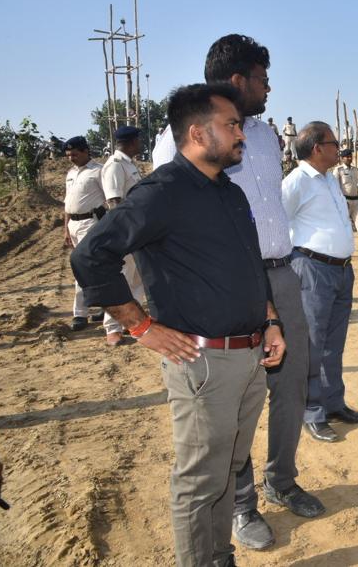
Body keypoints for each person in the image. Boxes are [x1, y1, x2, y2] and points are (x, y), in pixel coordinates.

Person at [70, 83, 287, 567]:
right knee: (200, 480)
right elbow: (90, 257)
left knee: (227, 468)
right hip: (204, 362)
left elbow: (251, 265)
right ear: (196, 132)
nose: (241, 135)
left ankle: (218, 555)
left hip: (250, 355)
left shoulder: (228, 193)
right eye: (230, 125)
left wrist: (270, 321)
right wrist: (141, 326)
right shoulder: (162, 193)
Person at [153, 34, 322, 551]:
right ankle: (242, 505)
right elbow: (159, 228)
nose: (268, 88)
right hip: (225, 287)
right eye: (262, 79)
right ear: (236, 81)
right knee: (234, 401)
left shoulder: (266, 137)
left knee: (291, 383)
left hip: (280, 274)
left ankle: (282, 479)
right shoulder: (177, 142)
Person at [283, 123, 358, 445]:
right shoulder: (296, 182)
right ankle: (313, 412)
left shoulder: (329, 179)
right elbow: (278, 224)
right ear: (317, 148)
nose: (340, 148)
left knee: (334, 344)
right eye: (334, 143)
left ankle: (334, 403)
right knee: (312, 346)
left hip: (341, 270)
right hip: (313, 270)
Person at [100, 125, 147, 346]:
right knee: (122, 280)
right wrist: (123, 232)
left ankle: (131, 323)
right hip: (125, 232)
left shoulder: (129, 164)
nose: (141, 143)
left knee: (137, 280)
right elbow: (114, 201)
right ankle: (112, 328)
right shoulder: (115, 165)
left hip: (137, 231)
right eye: (138, 140)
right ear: (130, 142)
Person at [63, 136, 106, 332]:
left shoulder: (98, 171)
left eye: (74, 154)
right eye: (68, 155)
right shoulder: (71, 173)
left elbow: (110, 199)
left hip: (92, 223)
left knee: (87, 268)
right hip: (74, 224)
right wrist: (66, 227)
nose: (71, 158)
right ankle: (103, 308)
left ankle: (80, 314)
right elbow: (67, 204)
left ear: (86, 151)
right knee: (85, 268)